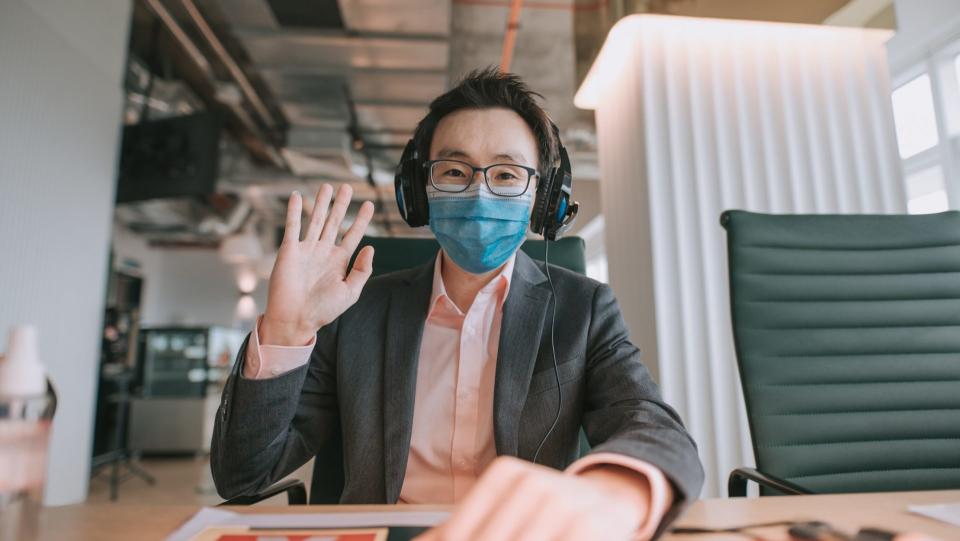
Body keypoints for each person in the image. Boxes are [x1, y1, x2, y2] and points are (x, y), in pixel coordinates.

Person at [211, 67, 704, 540]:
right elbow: (242, 477)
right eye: (453, 170)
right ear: (419, 191)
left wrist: (612, 495)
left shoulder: (584, 308)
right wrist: (283, 333)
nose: (479, 191)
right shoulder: (356, 309)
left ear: (543, 197)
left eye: (508, 175)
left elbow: (653, 427)